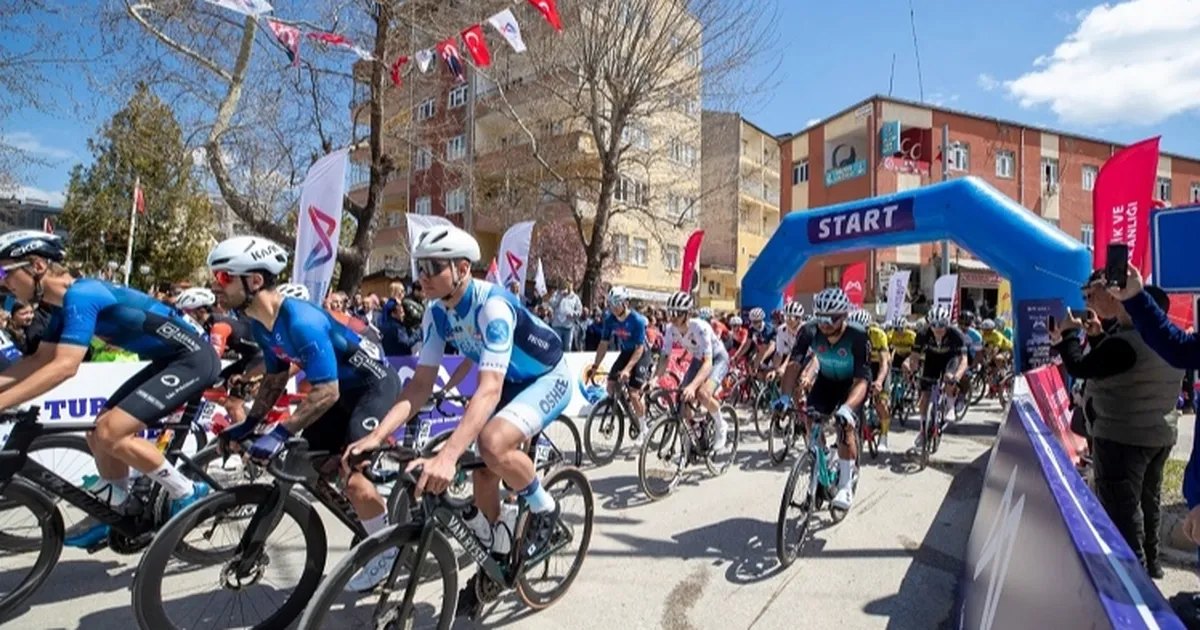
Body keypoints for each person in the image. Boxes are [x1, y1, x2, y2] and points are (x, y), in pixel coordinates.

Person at [343, 225, 571, 604]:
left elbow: (489, 389)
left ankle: (543, 507)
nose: (423, 277)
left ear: (463, 268)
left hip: (546, 376)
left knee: (492, 444)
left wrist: (447, 456)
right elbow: (418, 387)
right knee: (482, 472)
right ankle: (497, 552)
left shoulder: (492, 307)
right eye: (420, 267)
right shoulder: (437, 313)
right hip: (510, 380)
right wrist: (376, 437)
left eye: (433, 267)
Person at [207, 235, 401, 592]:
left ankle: (386, 551)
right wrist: (251, 423)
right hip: (340, 395)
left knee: (352, 474)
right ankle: (371, 513)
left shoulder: (302, 321)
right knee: (307, 460)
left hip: (373, 387)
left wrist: (277, 432)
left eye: (223, 278)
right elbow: (276, 378)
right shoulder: (262, 324)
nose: (215, 286)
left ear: (254, 281)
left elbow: (327, 390)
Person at [0, 230, 213, 547]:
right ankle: (118, 510)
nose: (3, 283)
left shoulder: (82, 295)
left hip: (192, 359)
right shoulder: (59, 306)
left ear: (37, 265)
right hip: (167, 360)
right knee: (96, 434)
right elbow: (39, 360)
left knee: (111, 431)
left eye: (5, 272)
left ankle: (187, 492)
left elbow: (65, 366)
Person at [1052, 266, 1180, 579]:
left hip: (1124, 437)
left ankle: (1131, 581)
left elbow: (1081, 367)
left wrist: (1068, 335)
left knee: (1122, 512)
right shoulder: (1159, 340)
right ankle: (1152, 567)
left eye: (1094, 294)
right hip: (1157, 433)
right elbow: (1121, 371)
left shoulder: (1127, 342)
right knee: (1149, 503)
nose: (1092, 301)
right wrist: (1097, 339)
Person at [776, 288, 868, 510]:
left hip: (851, 386)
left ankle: (846, 484)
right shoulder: (809, 330)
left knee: (845, 427)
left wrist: (847, 408)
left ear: (844, 316)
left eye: (831, 319)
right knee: (809, 418)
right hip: (826, 382)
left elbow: (862, 380)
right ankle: (823, 456)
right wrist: (785, 397)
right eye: (820, 317)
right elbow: (794, 365)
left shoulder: (857, 335)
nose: (824, 324)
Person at [653, 291, 731, 452]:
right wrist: (654, 379)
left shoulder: (700, 327)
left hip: (717, 359)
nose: (672, 317)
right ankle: (697, 428)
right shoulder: (670, 329)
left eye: (677, 313)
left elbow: (708, 363)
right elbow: (665, 357)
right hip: (698, 359)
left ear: (687, 314)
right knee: (682, 401)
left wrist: (693, 387)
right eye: (670, 312)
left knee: (702, 394)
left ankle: (721, 425)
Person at [589, 286, 653, 442]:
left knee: (633, 393)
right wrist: (595, 366)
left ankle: (643, 427)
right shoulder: (610, 319)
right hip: (625, 352)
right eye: (611, 303)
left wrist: (627, 370)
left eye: (616, 303)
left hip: (641, 353)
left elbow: (639, 349)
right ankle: (627, 409)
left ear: (625, 303)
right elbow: (603, 344)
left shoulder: (637, 320)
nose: (613, 307)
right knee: (611, 385)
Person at [902, 305, 968, 448]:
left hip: (950, 359)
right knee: (924, 397)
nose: (938, 328)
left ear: (947, 323)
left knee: (949, 377)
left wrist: (956, 377)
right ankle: (922, 431)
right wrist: (911, 369)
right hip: (932, 359)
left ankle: (950, 405)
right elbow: (915, 356)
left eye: (942, 324)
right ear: (929, 324)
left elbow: (963, 361)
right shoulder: (923, 333)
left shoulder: (956, 334)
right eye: (934, 325)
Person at [853, 309, 893, 452]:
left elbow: (884, 362)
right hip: (865, 366)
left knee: (881, 403)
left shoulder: (878, 335)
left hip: (879, 366)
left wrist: (879, 382)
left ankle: (884, 436)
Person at [549, 280, 582, 350]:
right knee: (556, 346)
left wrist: (573, 314)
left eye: (568, 286)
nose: (565, 289)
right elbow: (552, 304)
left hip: (569, 327)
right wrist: (560, 297)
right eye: (564, 286)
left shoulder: (575, 297)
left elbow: (580, 310)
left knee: (568, 347)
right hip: (557, 325)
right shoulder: (556, 294)